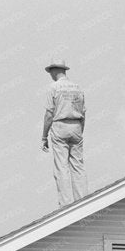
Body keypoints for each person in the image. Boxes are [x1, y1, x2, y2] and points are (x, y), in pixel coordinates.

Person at [41, 60, 88, 206]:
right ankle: (83, 201)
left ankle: (66, 205)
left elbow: (49, 114)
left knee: (61, 167)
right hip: (76, 126)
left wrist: (44, 136)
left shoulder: (53, 87)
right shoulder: (77, 88)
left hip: (60, 125)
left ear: (54, 71)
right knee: (78, 166)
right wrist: (80, 131)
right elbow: (84, 112)